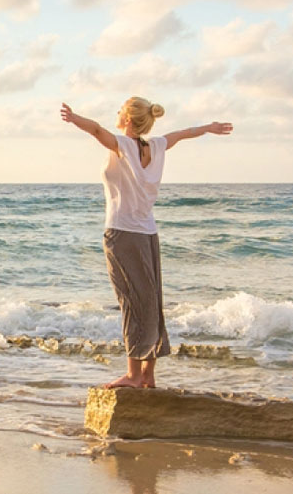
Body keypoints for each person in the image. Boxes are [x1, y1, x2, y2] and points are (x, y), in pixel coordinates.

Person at [58, 98, 232, 389]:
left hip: (122, 234)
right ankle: (148, 375)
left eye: (120, 110)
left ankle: (133, 375)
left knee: (132, 303)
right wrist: (209, 128)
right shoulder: (158, 146)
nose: (116, 114)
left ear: (127, 119)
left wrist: (75, 118)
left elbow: (97, 130)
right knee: (151, 302)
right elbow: (185, 133)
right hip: (148, 234)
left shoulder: (123, 146)